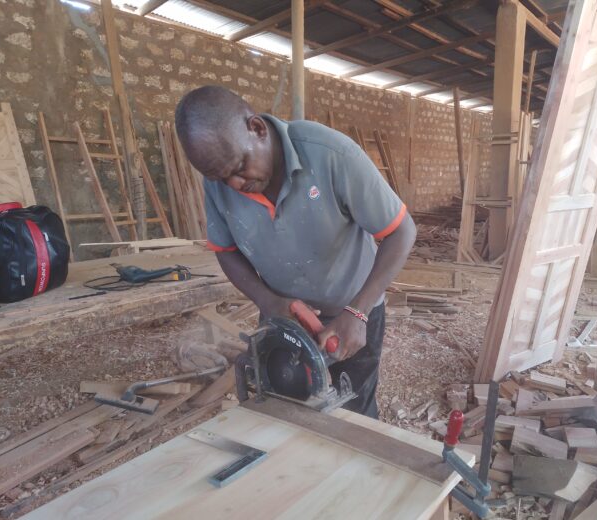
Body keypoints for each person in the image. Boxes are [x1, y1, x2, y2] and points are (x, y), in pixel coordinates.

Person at [175, 85, 416, 418]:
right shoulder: (219, 180)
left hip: (352, 312)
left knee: (354, 416)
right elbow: (226, 249)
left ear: (257, 129)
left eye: (239, 166)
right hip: (284, 316)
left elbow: (402, 232)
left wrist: (358, 313)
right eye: (220, 177)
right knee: (285, 409)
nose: (234, 184)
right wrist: (267, 301)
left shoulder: (329, 153)